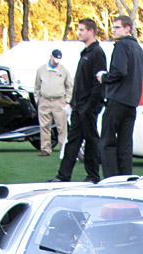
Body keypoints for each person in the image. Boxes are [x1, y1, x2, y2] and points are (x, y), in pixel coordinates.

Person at [51, 18, 105, 184]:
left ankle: (93, 176)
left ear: (91, 31)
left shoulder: (97, 53)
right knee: (73, 141)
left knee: (91, 141)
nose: (79, 32)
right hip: (78, 106)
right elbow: (80, 82)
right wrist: (73, 102)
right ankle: (63, 175)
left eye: (82, 30)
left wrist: (90, 106)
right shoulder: (86, 53)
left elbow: (99, 83)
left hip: (87, 107)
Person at [98, 15, 143, 178]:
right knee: (125, 144)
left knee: (107, 142)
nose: (113, 31)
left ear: (127, 28)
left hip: (117, 99)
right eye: (113, 28)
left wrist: (104, 78)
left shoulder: (121, 46)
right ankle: (126, 179)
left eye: (117, 27)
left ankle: (111, 179)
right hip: (132, 102)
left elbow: (119, 72)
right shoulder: (139, 49)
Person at [34, 49, 72, 157]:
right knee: (44, 126)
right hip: (44, 101)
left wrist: (67, 101)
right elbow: (37, 86)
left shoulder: (64, 70)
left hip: (59, 101)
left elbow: (69, 86)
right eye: (55, 59)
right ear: (51, 56)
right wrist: (38, 100)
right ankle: (45, 149)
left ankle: (63, 149)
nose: (56, 61)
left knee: (62, 127)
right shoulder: (41, 70)